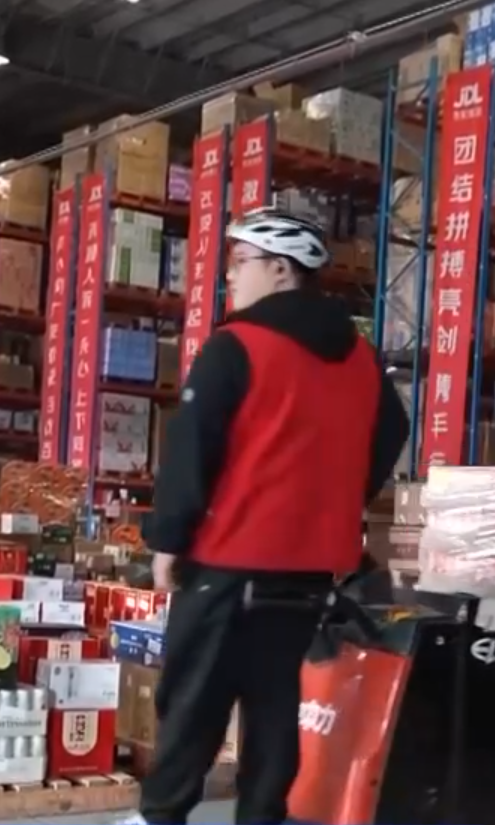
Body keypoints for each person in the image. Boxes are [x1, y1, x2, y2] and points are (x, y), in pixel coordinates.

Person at [138, 207, 410, 825]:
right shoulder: (361, 359)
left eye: (241, 263)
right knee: (275, 705)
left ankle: (161, 817)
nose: (232, 277)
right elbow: (392, 431)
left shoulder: (237, 345)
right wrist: (338, 499)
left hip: (227, 560)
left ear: (282, 270)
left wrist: (167, 539)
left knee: (193, 702)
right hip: (309, 570)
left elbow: (192, 448)